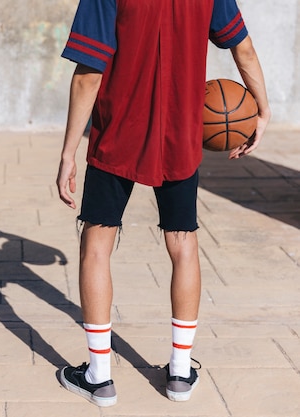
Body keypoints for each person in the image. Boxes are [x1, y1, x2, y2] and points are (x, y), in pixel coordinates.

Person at [55, 0, 271, 407]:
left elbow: (88, 72)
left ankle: (99, 378)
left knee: (97, 245)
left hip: (119, 131)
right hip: (180, 135)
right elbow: (242, 47)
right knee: (183, 243)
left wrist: (68, 150)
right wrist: (262, 107)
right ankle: (179, 373)